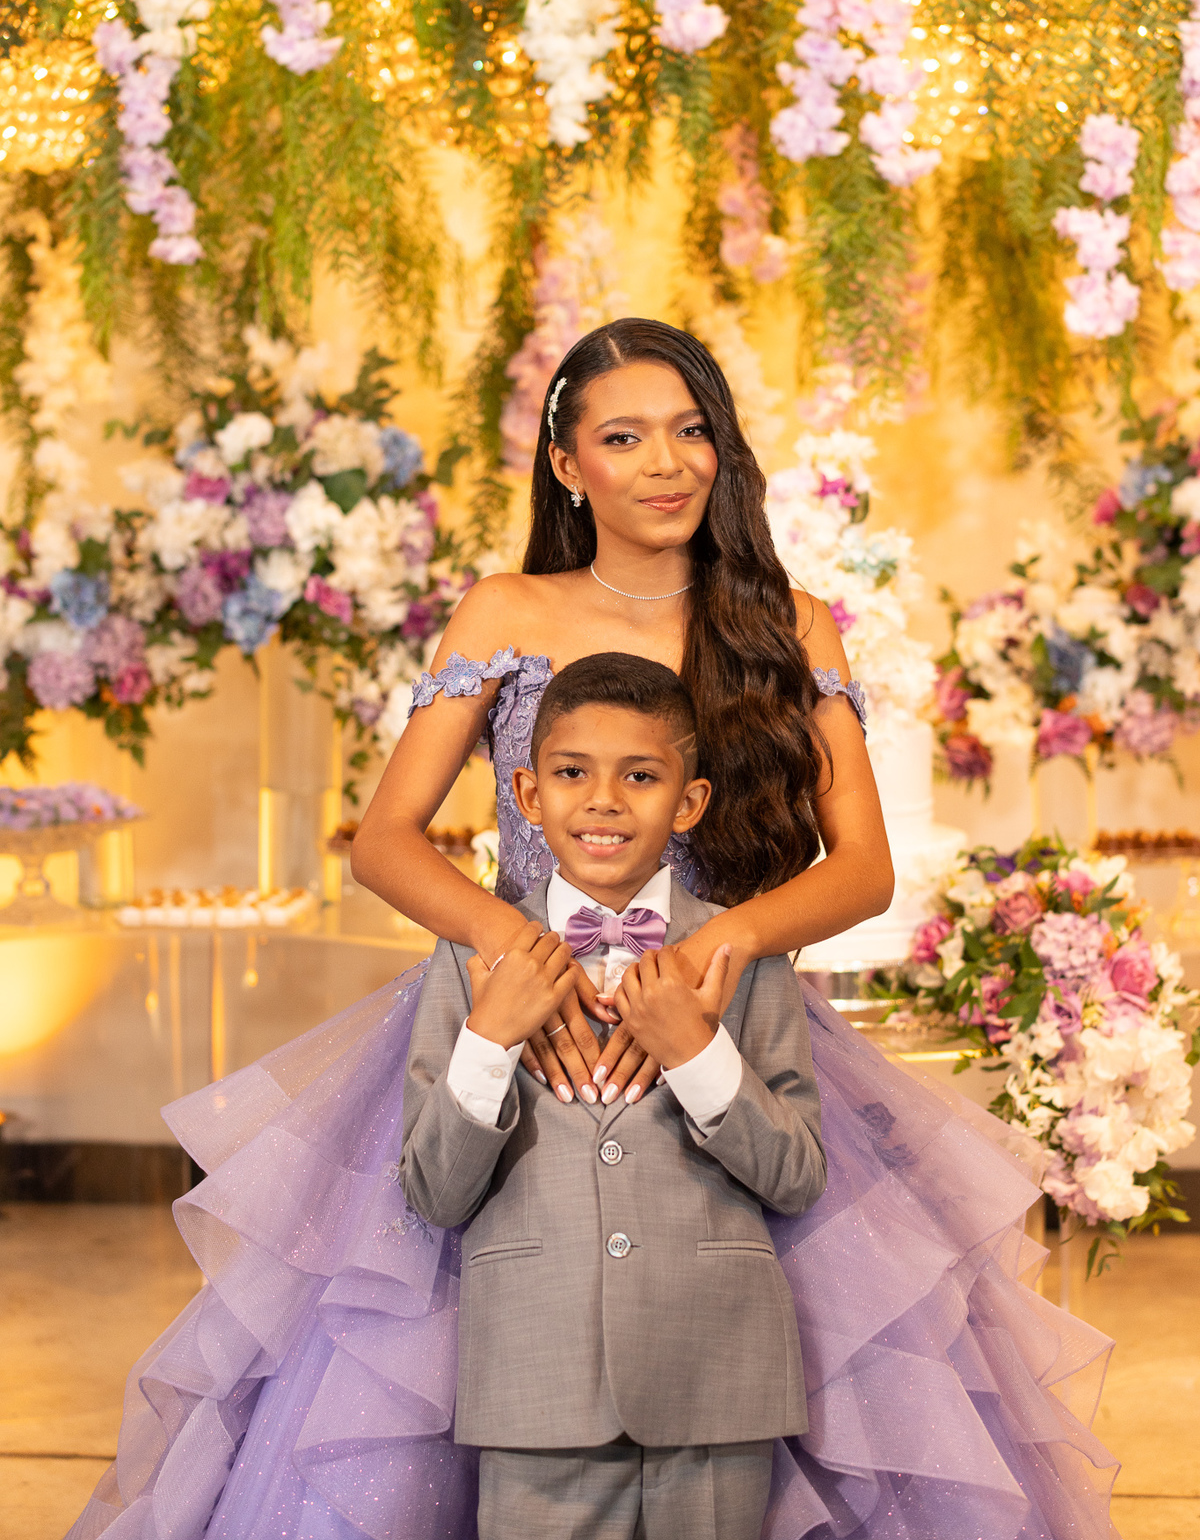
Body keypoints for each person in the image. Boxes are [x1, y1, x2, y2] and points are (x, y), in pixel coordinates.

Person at [68, 317, 1120, 1540]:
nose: (666, 462)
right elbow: (389, 838)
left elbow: (864, 870)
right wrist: (527, 963)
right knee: (439, 1390)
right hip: (515, 1024)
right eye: (624, 438)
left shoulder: (790, 621)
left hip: (725, 1021)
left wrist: (706, 962)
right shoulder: (505, 610)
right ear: (568, 464)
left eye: (691, 431)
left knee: (799, 1397)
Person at [400, 651, 827, 1540]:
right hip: (536, 1376)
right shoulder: (468, 958)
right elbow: (433, 1191)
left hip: (717, 1376)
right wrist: (491, 1036)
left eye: (640, 776)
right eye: (571, 773)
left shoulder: (742, 955)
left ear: (690, 801)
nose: (603, 801)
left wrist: (697, 1051)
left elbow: (796, 1177)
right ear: (526, 792)